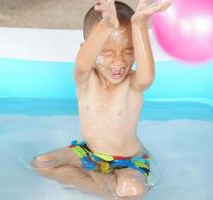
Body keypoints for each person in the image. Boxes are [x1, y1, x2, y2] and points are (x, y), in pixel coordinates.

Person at [31, 0, 171, 199]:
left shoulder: (132, 85)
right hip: (88, 153)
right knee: (40, 163)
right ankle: (103, 184)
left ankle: (102, 182)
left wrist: (139, 25)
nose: (119, 61)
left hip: (127, 161)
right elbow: (82, 64)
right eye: (106, 53)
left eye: (128, 51)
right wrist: (105, 25)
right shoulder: (85, 80)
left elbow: (147, 76)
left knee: (132, 190)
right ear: (88, 49)